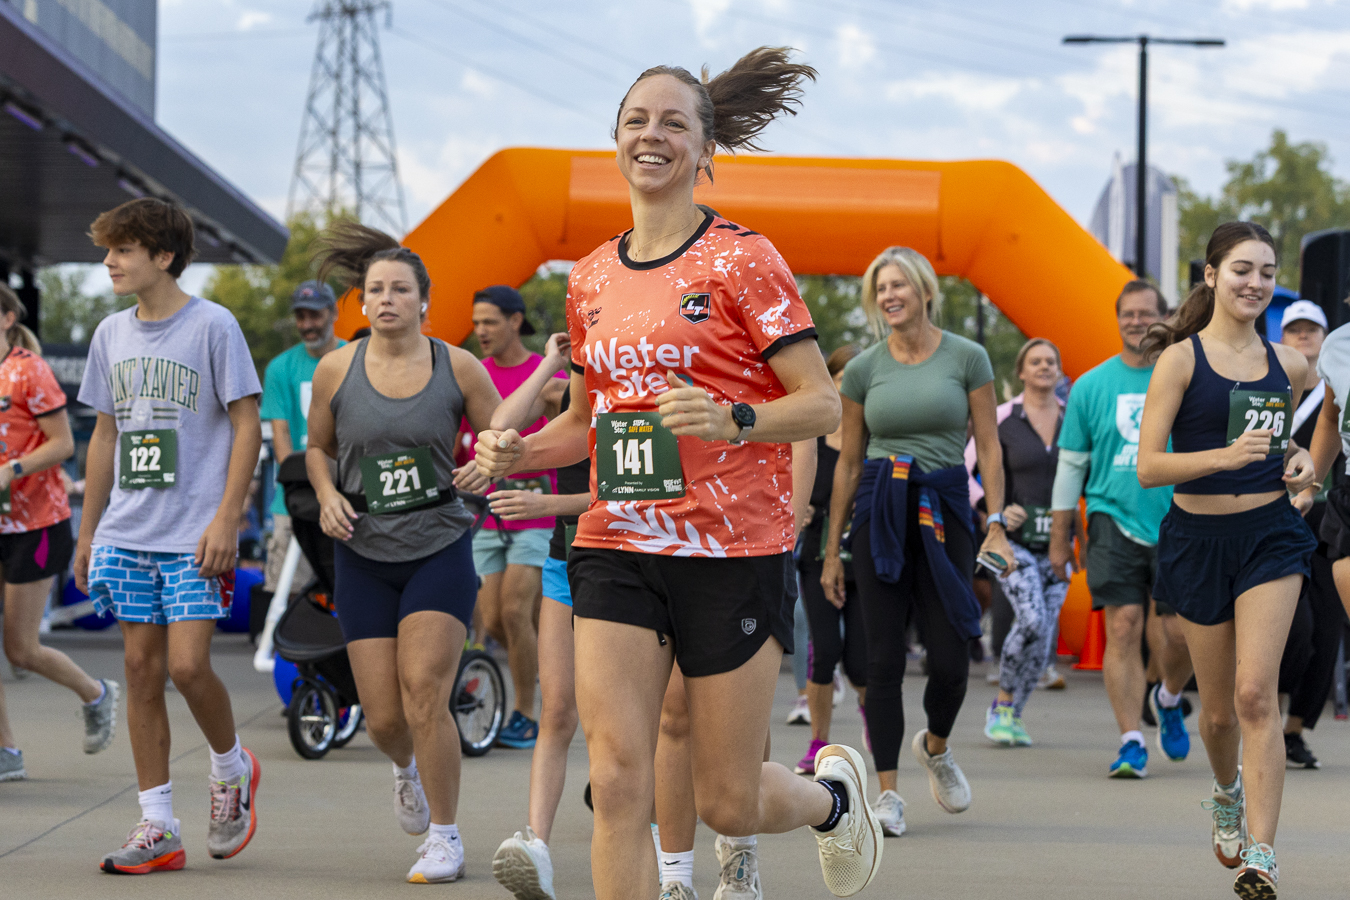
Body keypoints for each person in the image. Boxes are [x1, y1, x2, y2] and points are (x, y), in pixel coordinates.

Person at [476, 47, 884, 900]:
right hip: (615, 542)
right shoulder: (588, 277)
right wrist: (519, 450)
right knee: (620, 778)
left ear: (704, 155)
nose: (650, 135)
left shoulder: (743, 260)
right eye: (636, 120)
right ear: (615, 141)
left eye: (672, 123)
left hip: (732, 552)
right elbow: (584, 427)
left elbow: (819, 403)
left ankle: (833, 801)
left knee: (724, 801)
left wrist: (734, 416)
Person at [304, 222, 501, 883]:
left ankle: (445, 838)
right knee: (386, 718)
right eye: (375, 290)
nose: (385, 299)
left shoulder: (458, 365)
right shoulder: (336, 366)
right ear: (362, 302)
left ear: (424, 299)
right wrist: (328, 494)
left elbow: (501, 438)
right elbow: (316, 449)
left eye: (400, 289)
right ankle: (404, 768)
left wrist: (486, 469)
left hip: (439, 543)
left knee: (425, 692)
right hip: (362, 549)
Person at [74, 197, 263, 872]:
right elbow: (103, 435)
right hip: (127, 530)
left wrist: (228, 517)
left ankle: (231, 766)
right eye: (108, 249)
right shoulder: (109, 335)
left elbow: (247, 424)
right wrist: (88, 532)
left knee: (187, 666)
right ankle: (158, 826)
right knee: (139, 670)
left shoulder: (214, 326)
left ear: (163, 255)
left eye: (121, 250)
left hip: (194, 532)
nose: (108, 262)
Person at [1138, 221, 1318, 898]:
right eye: (1243, 269)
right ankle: (1225, 789)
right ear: (1211, 276)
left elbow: (1294, 448)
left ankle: (1262, 856)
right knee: (1216, 715)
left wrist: (1299, 462)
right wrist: (1223, 457)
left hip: (1271, 536)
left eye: (1268, 272)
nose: (1256, 283)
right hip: (1197, 542)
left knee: (1254, 695)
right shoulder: (1181, 361)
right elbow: (1149, 465)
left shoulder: (1289, 365)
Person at [823, 245, 1014, 839]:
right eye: (881, 287)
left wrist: (998, 520)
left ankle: (935, 746)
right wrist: (833, 549)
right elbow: (849, 463)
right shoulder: (863, 369)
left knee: (952, 654)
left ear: (925, 290)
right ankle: (887, 795)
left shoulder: (968, 357)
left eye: (900, 284)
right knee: (880, 660)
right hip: (880, 509)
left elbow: (990, 445)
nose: (889, 295)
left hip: (945, 508)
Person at [1048, 279, 1194, 778]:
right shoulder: (1091, 385)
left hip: (1181, 519)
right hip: (1112, 517)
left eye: (1146, 313)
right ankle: (1131, 739)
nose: (1136, 322)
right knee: (1123, 625)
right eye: (1127, 314)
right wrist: (1059, 535)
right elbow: (1071, 465)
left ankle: (1169, 699)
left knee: (1181, 635)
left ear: (1164, 317)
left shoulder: (1186, 373)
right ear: (1117, 320)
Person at [0, 284, 117, 783]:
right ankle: (7, 753)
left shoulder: (29, 370)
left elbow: (65, 443)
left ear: (6, 318)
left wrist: (13, 467)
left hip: (35, 523)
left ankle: (97, 692)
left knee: (20, 649)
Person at [490, 331, 591, 900]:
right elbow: (500, 426)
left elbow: (633, 494)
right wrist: (550, 363)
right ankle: (536, 846)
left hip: (628, 567)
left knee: (633, 720)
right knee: (558, 711)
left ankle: (656, 836)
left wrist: (546, 504)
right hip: (565, 562)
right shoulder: (568, 394)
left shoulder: (648, 396)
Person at [470, 285, 568, 749]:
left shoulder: (546, 375)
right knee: (493, 622)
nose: (480, 331)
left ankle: (525, 712)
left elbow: (570, 429)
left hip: (537, 510)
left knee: (514, 608)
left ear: (515, 321)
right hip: (490, 514)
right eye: (476, 322)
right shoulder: (476, 374)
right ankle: (547, 671)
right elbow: (469, 442)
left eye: (489, 321)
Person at [983, 338, 1075, 746]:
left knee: (1045, 633)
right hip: (1012, 545)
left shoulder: (1073, 417)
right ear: (1021, 371)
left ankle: (1014, 715)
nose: (1043, 367)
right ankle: (1001, 704)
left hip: (1060, 545)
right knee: (1033, 620)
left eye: (1050, 361)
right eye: (1035, 361)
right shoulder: (1003, 416)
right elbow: (970, 472)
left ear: (1058, 371)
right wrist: (998, 513)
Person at [1275, 300, 1347, 770]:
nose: (1303, 338)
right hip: (1282, 524)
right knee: (1294, 630)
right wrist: (1304, 486)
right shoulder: (1263, 385)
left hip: (1327, 524)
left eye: (1310, 331)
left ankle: (1295, 729)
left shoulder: (1332, 373)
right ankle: (1256, 716)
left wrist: (1314, 486)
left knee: (1325, 631)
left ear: (1322, 336)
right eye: (1294, 331)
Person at [794, 345, 867, 776]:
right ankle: (819, 741)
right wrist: (798, 508)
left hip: (865, 560)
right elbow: (787, 485)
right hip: (817, 557)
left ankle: (870, 721)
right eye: (842, 378)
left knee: (860, 658)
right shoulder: (813, 437)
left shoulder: (877, 439)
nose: (850, 386)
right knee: (824, 650)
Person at [259, 281, 345, 599]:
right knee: (286, 591)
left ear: (333, 313)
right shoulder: (281, 368)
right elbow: (280, 433)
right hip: (295, 501)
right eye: (301, 317)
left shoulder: (354, 357)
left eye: (315, 315)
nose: (307, 325)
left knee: (348, 590)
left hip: (347, 494)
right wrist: (298, 482)